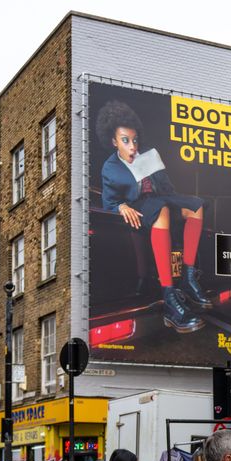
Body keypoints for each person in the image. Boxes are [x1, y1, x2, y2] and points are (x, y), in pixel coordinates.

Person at [96, 98, 210, 334]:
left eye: (134, 140)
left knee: (196, 206)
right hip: (140, 205)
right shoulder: (110, 167)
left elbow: (167, 188)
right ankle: (169, 297)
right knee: (162, 211)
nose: (132, 146)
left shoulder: (148, 154)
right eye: (125, 141)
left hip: (161, 197)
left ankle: (188, 277)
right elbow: (109, 201)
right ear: (114, 141)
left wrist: (163, 179)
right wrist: (121, 207)